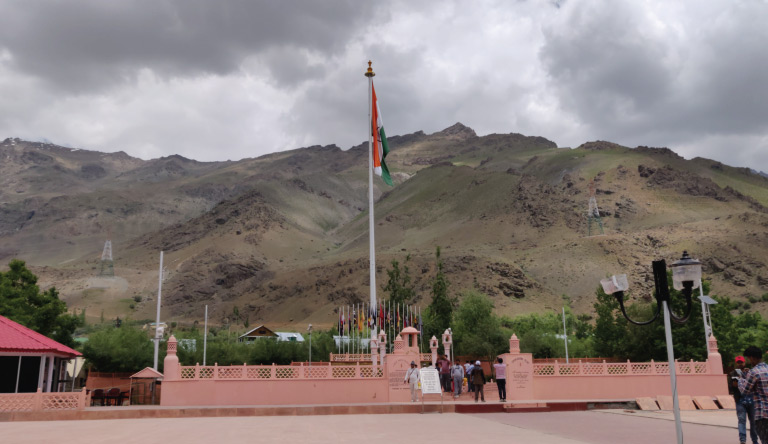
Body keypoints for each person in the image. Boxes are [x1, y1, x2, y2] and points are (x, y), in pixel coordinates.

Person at [738, 346, 768, 443]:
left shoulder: (754, 372)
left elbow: (744, 391)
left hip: (762, 413)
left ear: (751, 357)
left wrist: (741, 380)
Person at [732, 356, 759, 444]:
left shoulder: (750, 372)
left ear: (744, 362)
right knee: (742, 420)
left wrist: (746, 374)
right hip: (740, 401)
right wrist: (739, 377)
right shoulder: (733, 373)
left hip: (751, 400)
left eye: (741, 362)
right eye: (738, 363)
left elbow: (754, 384)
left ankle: (755, 440)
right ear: (736, 363)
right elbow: (734, 385)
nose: (740, 364)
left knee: (753, 421)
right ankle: (742, 440)